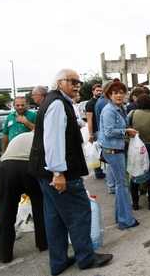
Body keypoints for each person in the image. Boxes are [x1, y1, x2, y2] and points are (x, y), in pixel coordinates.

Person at [29, 69, 113, 276]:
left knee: (55, 219)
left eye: (78, 81)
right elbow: (53, 140)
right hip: (60, 173)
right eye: (72, 81)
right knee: (79, 213)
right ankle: (86, 257)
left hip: (44, 172)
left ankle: (58, 262)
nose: (77, 85)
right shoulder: (57, 104)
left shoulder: (55, 102)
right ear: (59, 83)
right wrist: (58, 173)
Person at [0, 131, 47, 263]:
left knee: (6, 211)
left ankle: (4, 253)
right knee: (39, 204)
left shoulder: (21, 136)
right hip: (27, 167)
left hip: (5, 168)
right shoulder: (42, 137)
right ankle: (43, 243)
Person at [98, 80, 139, 229]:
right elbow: (109, 132)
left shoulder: (119, 108)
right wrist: (126, 132)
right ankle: (125, 220)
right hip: (113, 151)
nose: (119, 95)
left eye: (121, 92)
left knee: (120, 184)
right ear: (109, 94)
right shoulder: (109, 110)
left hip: (116, 150)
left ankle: (121, 217)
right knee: (122, 185)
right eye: (115, 93)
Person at [128, 93, 150, 210]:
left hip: (134, 147)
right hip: (149, 147)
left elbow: (126, 128)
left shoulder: (132, 113)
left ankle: (135, 203)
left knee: (134, 172)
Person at [95, 80, 118, 194]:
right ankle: (112, 185)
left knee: (109, 163)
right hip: (109, 139)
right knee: (111, 163)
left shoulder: (100, 101)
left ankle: (112, 185)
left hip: (104, 136)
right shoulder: (106, 103)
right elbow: (110, 129)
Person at [85, 83, 105, 179]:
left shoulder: (103, 101)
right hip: (96, 131)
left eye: (101, 90)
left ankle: (102, 170)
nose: (99, 92)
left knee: (102, 151)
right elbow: (89, 119)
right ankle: (98, 172)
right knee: (96, 152)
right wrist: (91, 134)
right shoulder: (90, 103)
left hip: (103, 130)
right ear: (93, 91)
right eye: (97, 90)